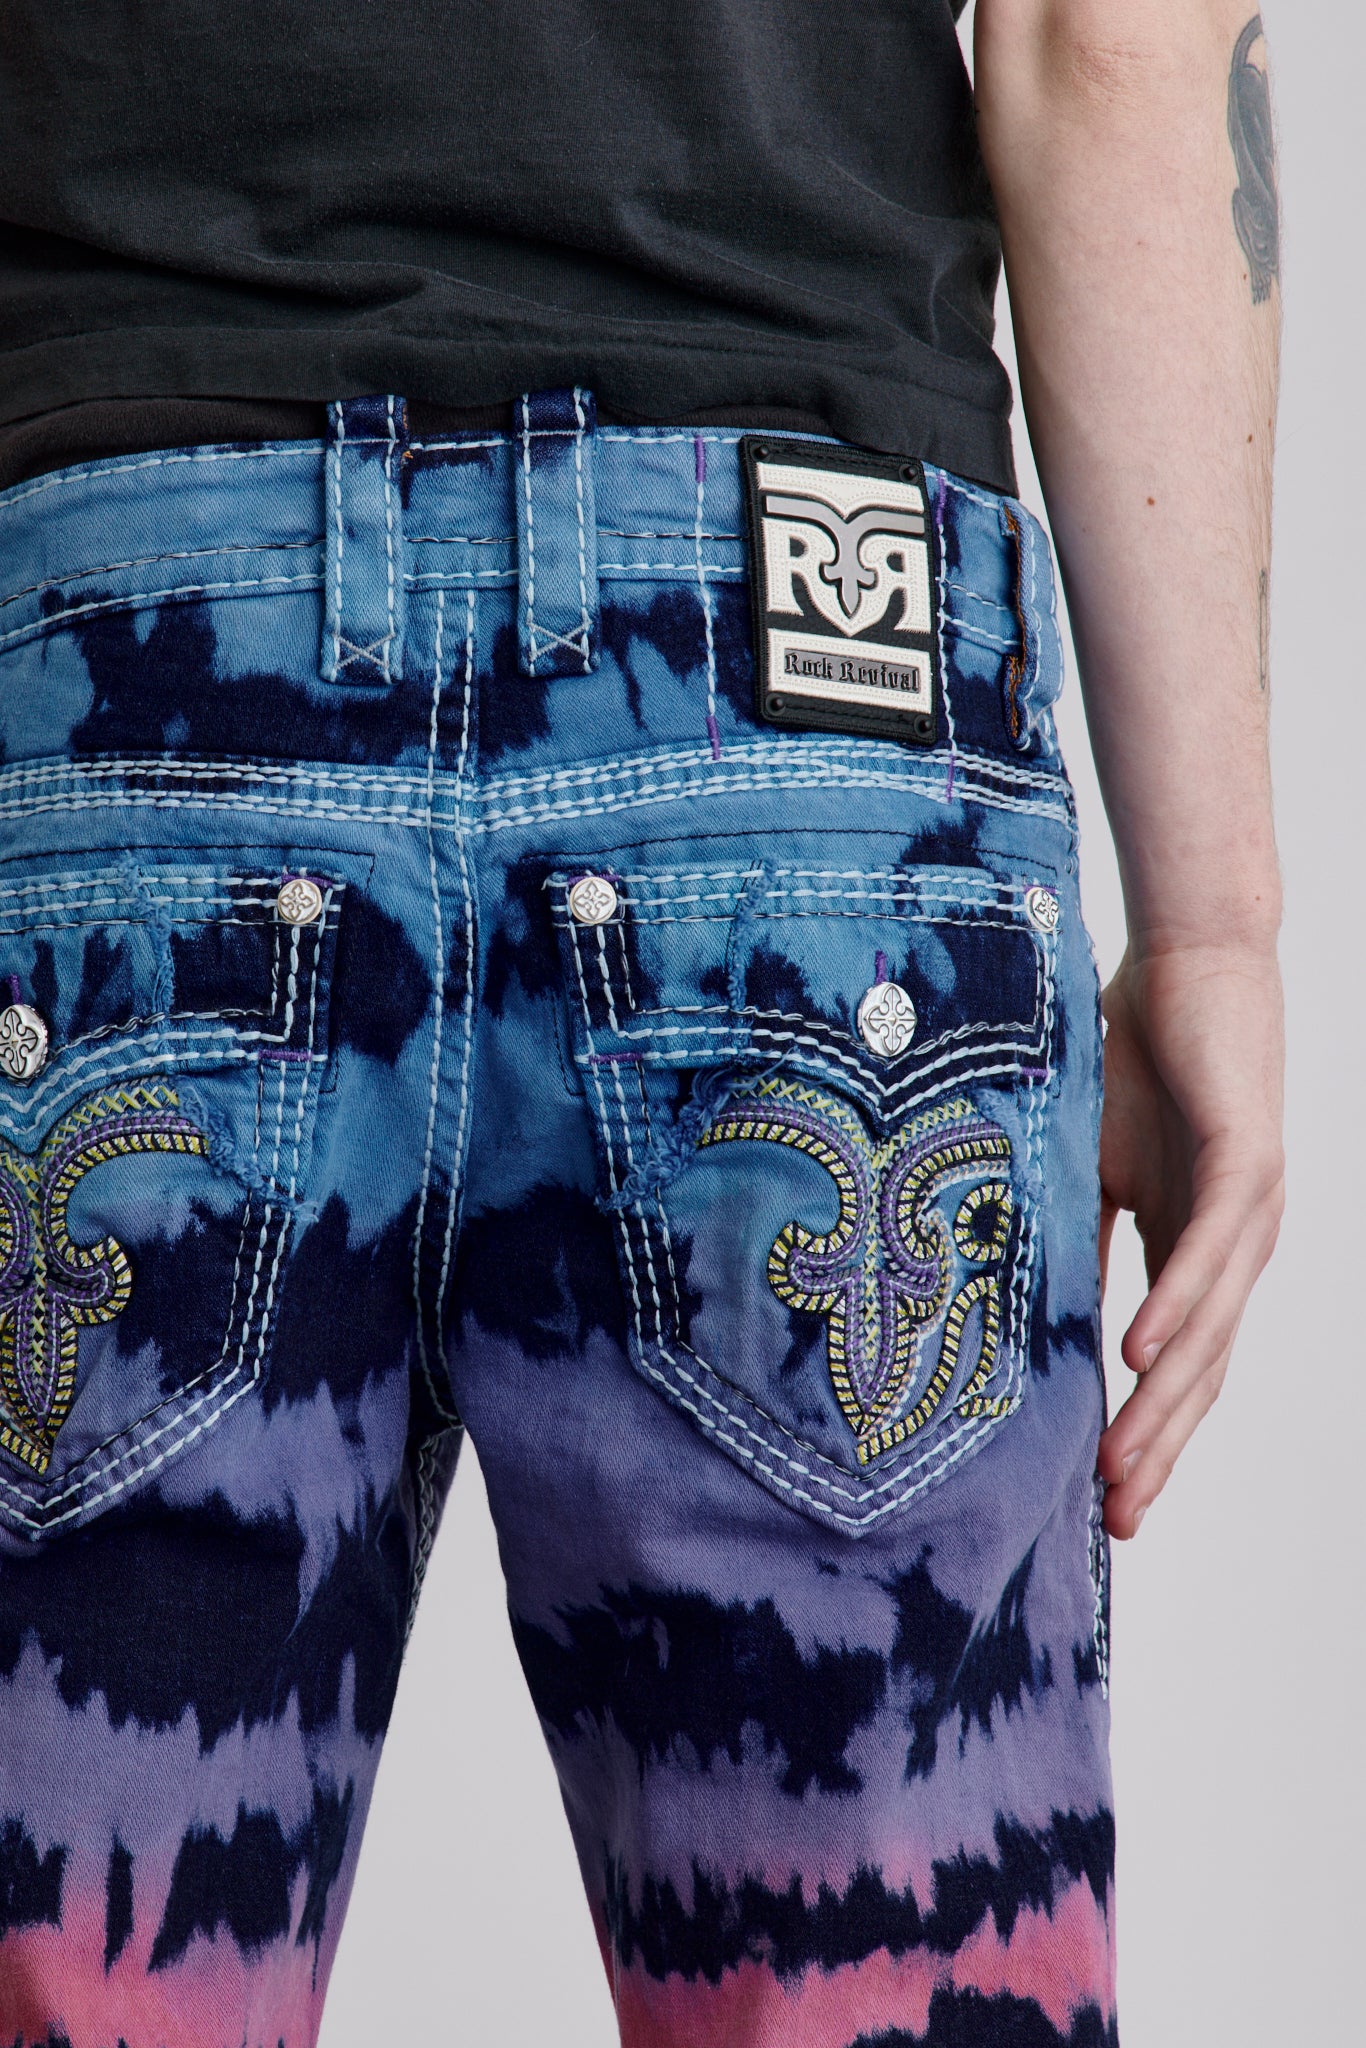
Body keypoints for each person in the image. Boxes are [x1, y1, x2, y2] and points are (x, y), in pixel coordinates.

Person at [0, 3, 1283, 2044]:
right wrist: (1209, 924)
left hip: (106, 661)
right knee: (890, 1972)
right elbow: (1105, 36)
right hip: (801, 692)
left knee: (80, 1958)